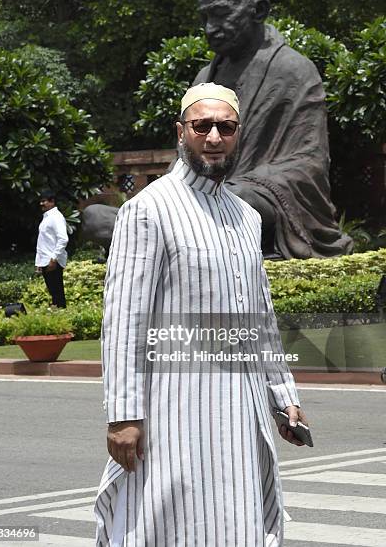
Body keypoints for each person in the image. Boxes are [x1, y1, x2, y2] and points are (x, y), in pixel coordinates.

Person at [95, 83, 308, 546]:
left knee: (238, 519)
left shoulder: (246, 217)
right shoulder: (148, 210)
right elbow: (125, 318)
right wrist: (124, 415)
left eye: (225, 127)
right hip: (174, 408)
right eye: (202, 126)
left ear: (238, 135)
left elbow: (260, 316)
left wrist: (282, 394)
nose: (213, 136)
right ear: (181, 132)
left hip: (240, 407)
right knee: (166, 520)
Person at [194, 0, 353, 259]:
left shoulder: (294, 71)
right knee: (99, 217)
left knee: (233, 200)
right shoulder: (204, 78)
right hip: (199, 198)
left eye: (219, 14)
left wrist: (244, 184)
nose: (209, 28)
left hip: (260, 199)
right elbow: (185, 157)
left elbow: (309, 162)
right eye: (204, 17)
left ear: (259, 11)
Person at [35, 190, 68, 308]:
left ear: (52, 201)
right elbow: (43, 242)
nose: (41, 204)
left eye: (44, 201)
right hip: (46, 260)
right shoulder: (47, 217)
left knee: (57, 294)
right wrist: (39, 262)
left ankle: (62, 318)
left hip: (52, 261)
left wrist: (53, 259)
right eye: (41, 201)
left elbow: (63, 239)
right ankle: (58, 317)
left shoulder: (56, 217)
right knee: (54, 293)